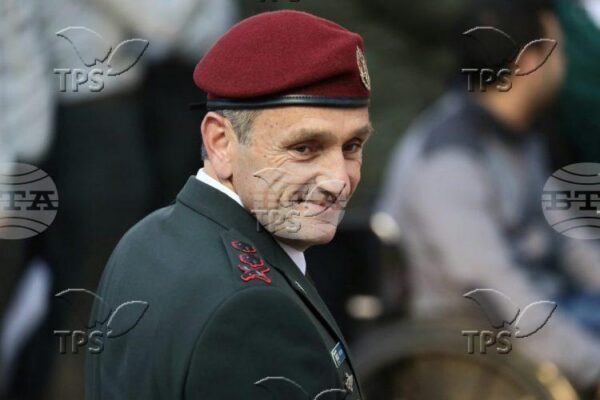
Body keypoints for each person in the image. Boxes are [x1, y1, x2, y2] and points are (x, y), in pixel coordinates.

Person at [85, 10, 372, 400]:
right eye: (304, 148)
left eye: (352, 146)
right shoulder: (256, 311)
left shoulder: (145, 239)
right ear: (220, 143)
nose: (338, 180)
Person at [375, 0, 600, 393]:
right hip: (479, 349)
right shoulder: (447, 160)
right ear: (529, 62)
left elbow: (569, 243)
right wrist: (591, 365)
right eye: (558, 50)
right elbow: (498, 293)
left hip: (553, 316)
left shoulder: (521, 134)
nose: (563, 64)